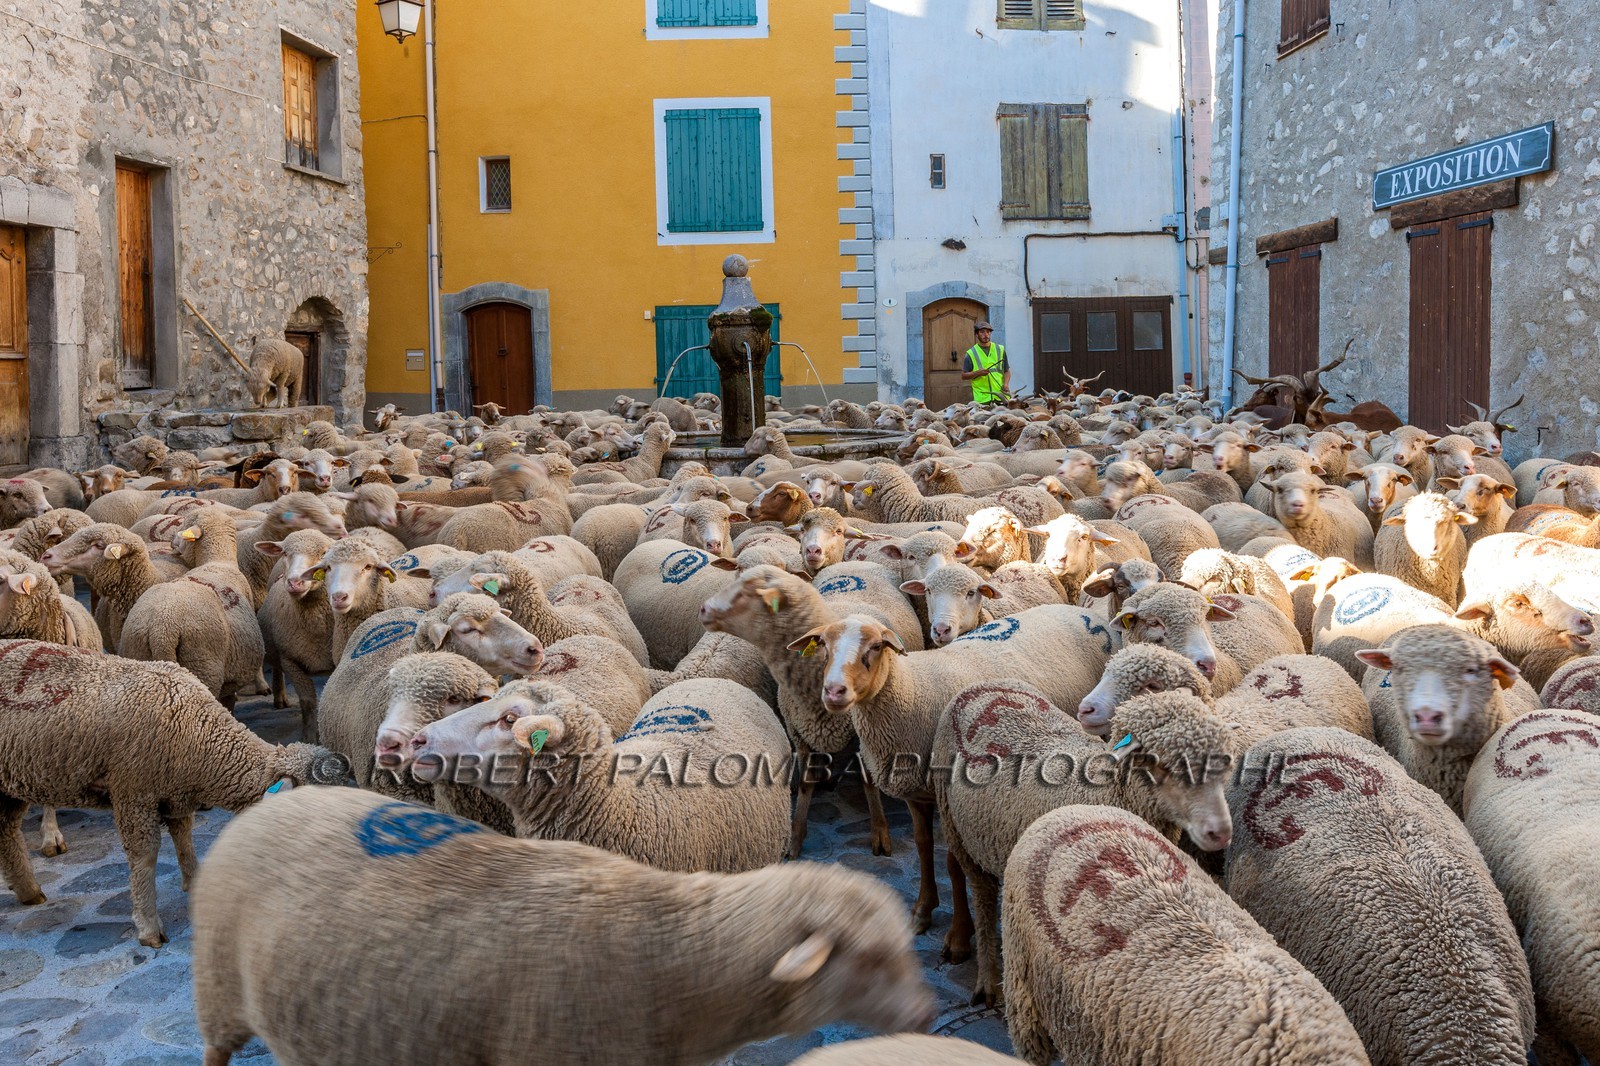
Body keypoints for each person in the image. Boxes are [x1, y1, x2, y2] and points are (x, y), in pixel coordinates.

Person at [959, 321, 1009, 404]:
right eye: (982, 332)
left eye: (988, 332)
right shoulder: (971, 353)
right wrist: (977, 373)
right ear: (976, 334)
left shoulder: (1000, 349)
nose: (986, 335)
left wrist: (1006, 384)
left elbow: (1007, 370)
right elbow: (963, 376)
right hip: (982, 400)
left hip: (1001, 397)